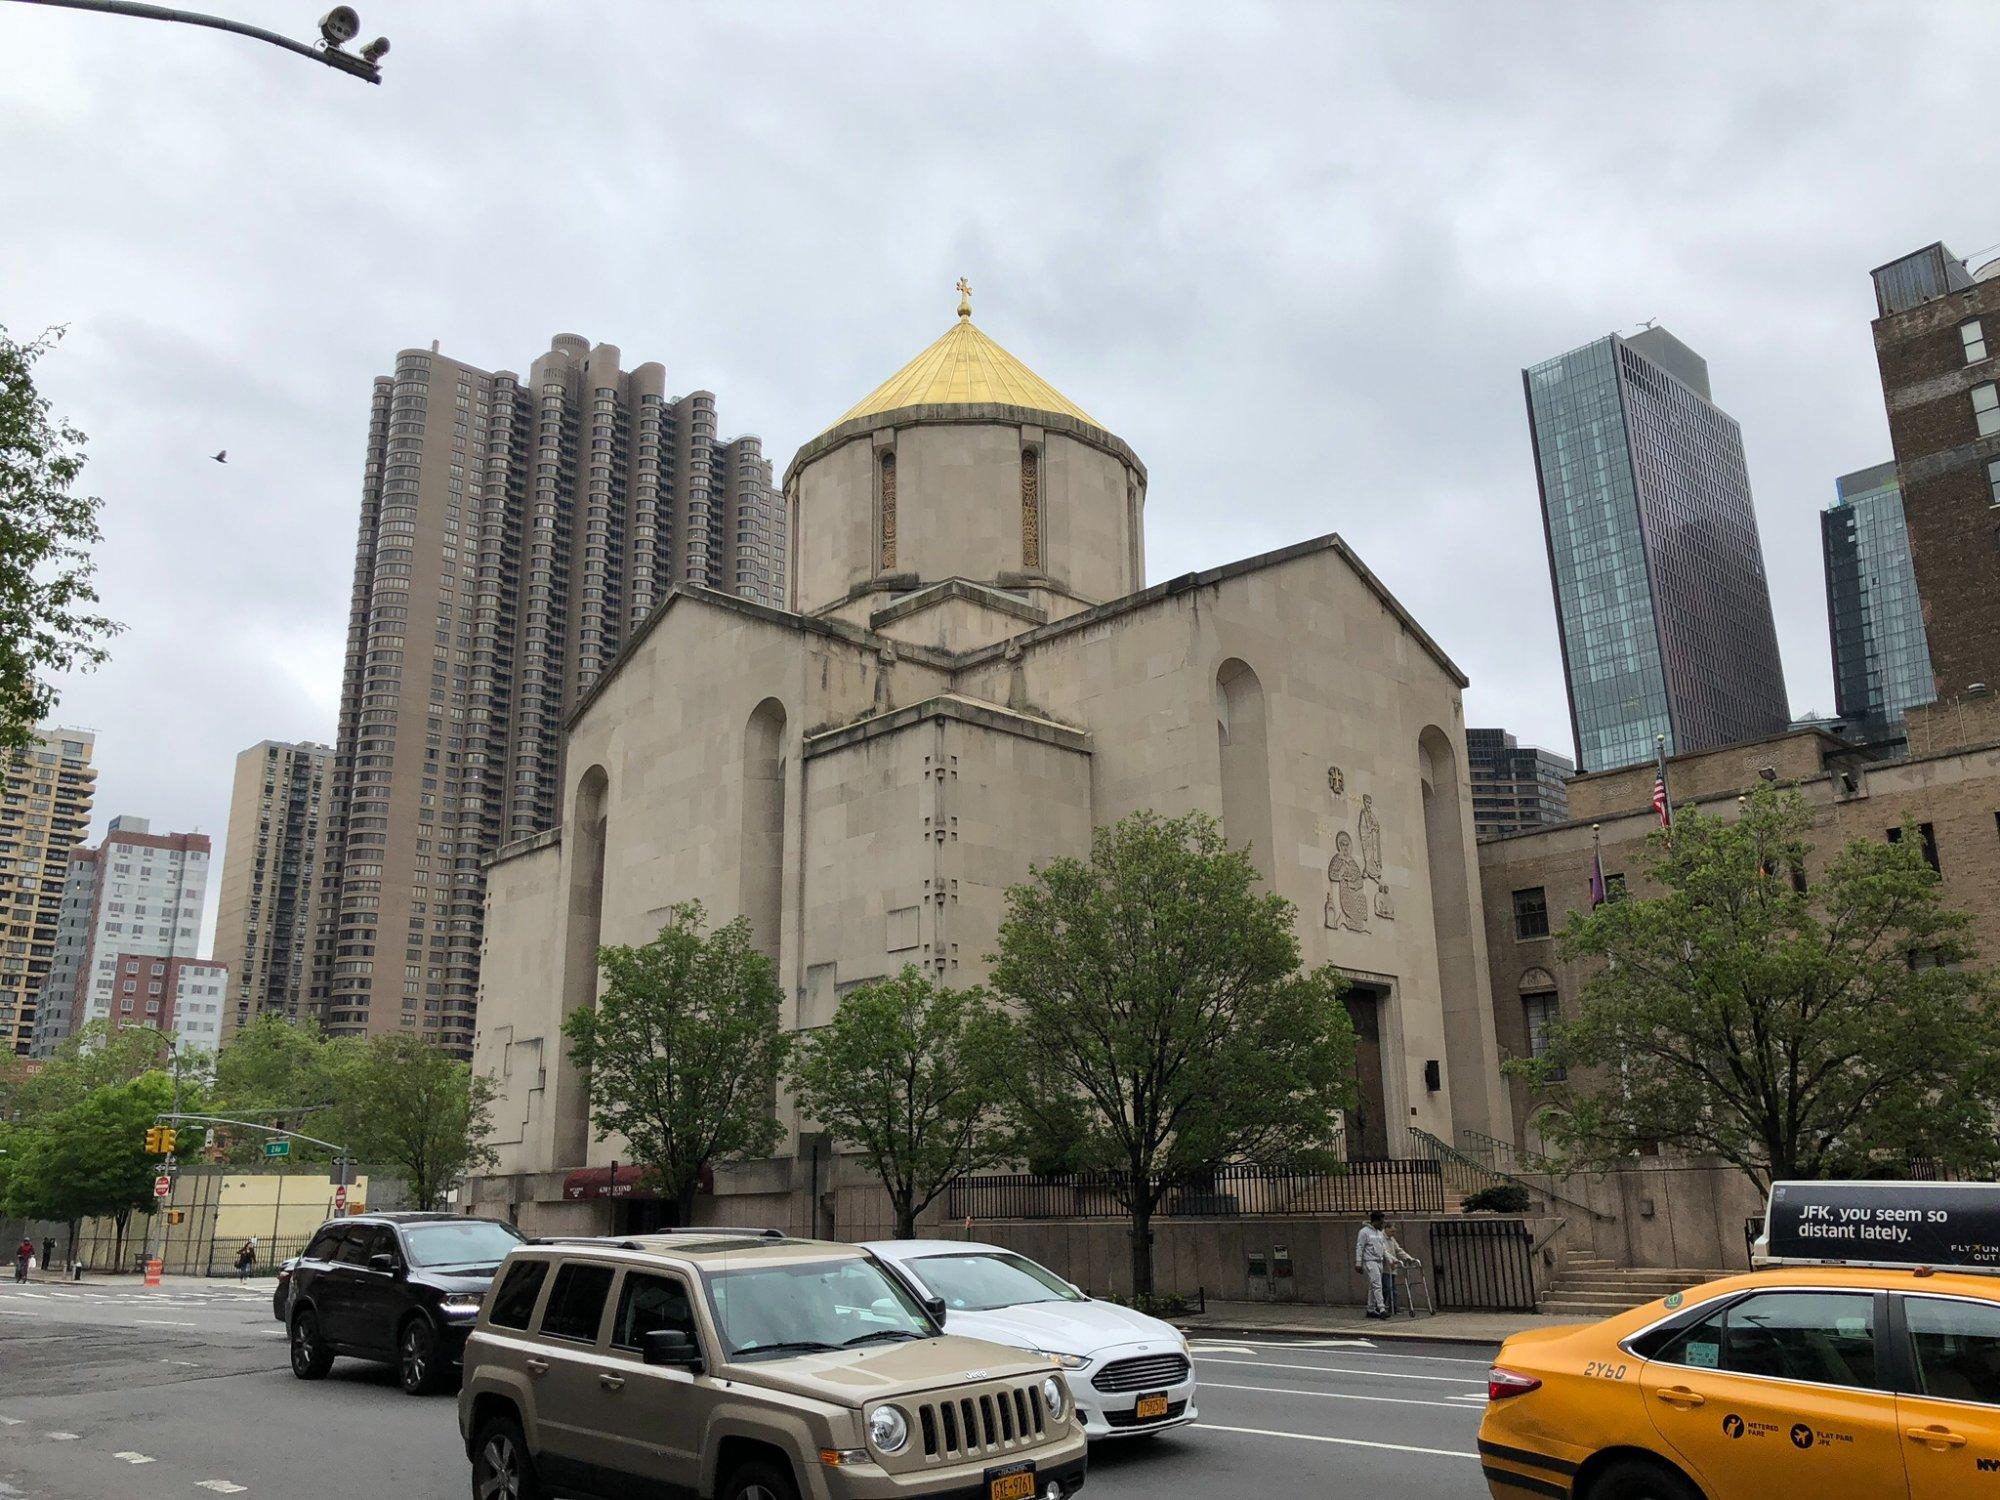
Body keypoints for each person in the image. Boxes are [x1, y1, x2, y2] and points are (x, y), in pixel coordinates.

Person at [1355, 1210, 1390, 1318]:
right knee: (1377, 1284)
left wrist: (1390, 1259)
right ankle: (1382, 1308)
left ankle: (1370, 1309)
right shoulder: (1364, 1232)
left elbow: (1384, 1249)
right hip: (1370, 1261)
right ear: (1375, 1221)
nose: (1382, 1224)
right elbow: (1359, 1247)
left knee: (1373, 1285)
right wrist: (1358, 1262)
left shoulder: (1379, 1233)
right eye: (1381, 1222)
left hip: (1378, 1261)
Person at [1380, 1224, 1420, 1315]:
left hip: (1392, 1266)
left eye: (1394, 1231)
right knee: (1387, 1288)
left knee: (1392, 1287)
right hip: (1385, 1267)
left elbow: (1398, 1250)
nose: (1393, 1233)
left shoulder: (1391, 1239)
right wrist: (1394, 1260)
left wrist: (1408, 1258)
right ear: (1386, 1229)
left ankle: (1392, 1307)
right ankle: (1382, 1307)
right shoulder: (1380, 1238)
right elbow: (1384, 1252)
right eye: (1392, 1231)